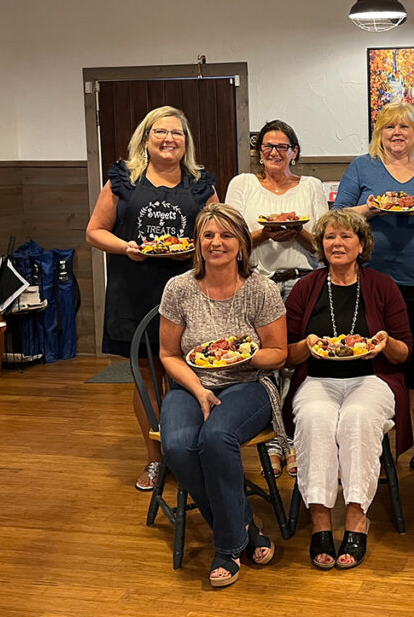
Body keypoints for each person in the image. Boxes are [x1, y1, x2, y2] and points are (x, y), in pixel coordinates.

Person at [86, 106, 218, 491]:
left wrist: (193, 251)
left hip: (190, 295)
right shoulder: (122, 181)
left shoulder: (201, 185)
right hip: (134, 292)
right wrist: (127, 247)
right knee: (146, 379)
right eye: (160, 132)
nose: (168, 139)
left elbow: (218, 233)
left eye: (177, 133)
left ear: (185, 141)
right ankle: (156, 459)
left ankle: (188, 452)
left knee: (187, 374)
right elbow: (95, 232)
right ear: (146, 137)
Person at [157, 204, 288, 588]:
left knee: (216, 437)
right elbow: (168, 354)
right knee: (179, 445)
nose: (217, 243)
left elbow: (278, 353)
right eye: (209, 235)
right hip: (190, 382)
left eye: (226, 235)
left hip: (249, 384)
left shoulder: (261, 289)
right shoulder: (178, 288)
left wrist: (246, 353)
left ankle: (227, 546)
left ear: (242, 243)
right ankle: (245, 522)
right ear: (197, 243)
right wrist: (197, 390)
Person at [284, 209, 413, 570]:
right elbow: (285, 355)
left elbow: (404, 353)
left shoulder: (383, 286)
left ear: (361, 245)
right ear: (321, 246)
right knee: (314, 418)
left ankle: (357, 516)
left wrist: (385, 342)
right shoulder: (306, 288)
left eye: (345, 237)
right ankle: (321, 520)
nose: (337, 243)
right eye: (329, 237)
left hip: (373, 377)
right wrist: (306, 345)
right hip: (317, 378)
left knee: (357, 419)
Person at [333, 100, 414, 472]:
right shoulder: (362, 166)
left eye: (404, 127)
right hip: (369, 276)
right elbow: (339, 213)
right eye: (389, 127)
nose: (397, 133)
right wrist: (369, 210)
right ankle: (369, 439)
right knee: (369, 357)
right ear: (379, 133)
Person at [225, 119, 328, 477]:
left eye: (281, 147)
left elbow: (324, 246)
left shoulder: (312, 186)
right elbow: (230, 241)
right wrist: (265, 233)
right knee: (267, 364)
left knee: (300, 364)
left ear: (294, 152)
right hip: (258, 285)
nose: (273, 153)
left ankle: (297, 439)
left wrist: (297, 233)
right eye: (266, 147)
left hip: (306, 283)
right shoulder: (242, 184)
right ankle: (273, 440)